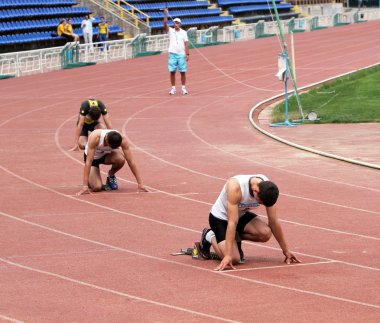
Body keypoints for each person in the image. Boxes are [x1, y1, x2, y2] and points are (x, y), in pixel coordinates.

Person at [198, 174, 301, 271]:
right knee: (234, 259)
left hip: (241, 215)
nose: (260, 204)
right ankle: (209, 235)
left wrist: (286, 250)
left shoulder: (268, 188)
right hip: (221, 218)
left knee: (265, 233)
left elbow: (273, 221)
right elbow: (232, 222)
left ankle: (233, 238)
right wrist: (228, 255)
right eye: (260, 202)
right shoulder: (235, 187)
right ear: (255, 190)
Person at [76, 129, 148, 195]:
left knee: (121, 159)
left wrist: (140, 183)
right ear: (106, 140)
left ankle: (111, 175)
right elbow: (88, 162)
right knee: (97, 187)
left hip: (106, 156)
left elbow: (131, 161)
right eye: (109, 146)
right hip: (93, 159)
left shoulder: (123, 139)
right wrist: (84, 186)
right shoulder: (95, 137)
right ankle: (90, 180)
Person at [163, 9, 189, 95]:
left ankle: (183, 88)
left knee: (182, 71)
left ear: (180, 24)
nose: (176, 24)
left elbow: (186, 43)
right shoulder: (170, 31)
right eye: (175, 23)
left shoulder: (184, 32)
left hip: (181, 54)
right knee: (172, 71)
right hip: (172, 54)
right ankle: (173, 88)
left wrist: (187, 54)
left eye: (177, 23)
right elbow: (165, 24)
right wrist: (166, 14)